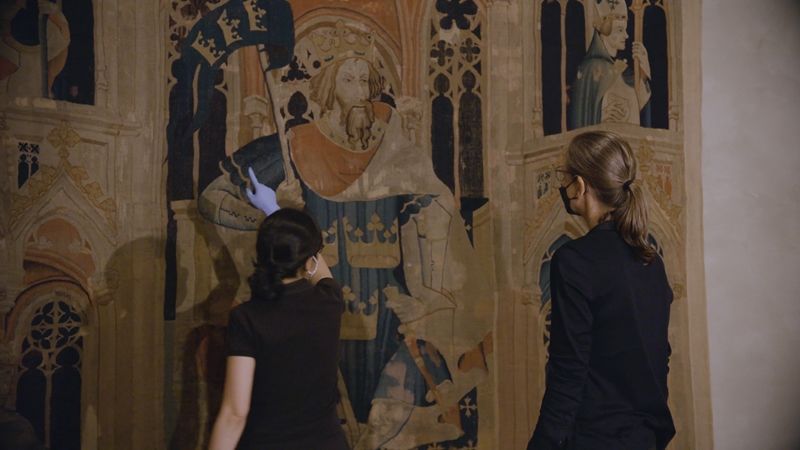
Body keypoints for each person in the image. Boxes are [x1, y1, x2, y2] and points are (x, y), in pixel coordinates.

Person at [528, 131, 674, 450]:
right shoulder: (653, 262)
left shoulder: (574, 261)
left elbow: (568, 369)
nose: (563, 186)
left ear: (580, 185)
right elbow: (658, 360)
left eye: (564, 177)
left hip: (594, 439)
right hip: (645, 439)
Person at [208, 204, 349, 450]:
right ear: (309, 260)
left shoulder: (247, 318)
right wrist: (276, 210)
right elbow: (319, 269)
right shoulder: (329, 301)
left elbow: (235, 413)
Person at [568, 0, 651, 128]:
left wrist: (644, 70)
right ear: (605, 32)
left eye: (625, 29)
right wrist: (602, 117)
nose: (626, 35)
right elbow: (585, 116)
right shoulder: (590, 69)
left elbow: (637, 108)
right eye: (620, 30)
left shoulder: (622, 69)